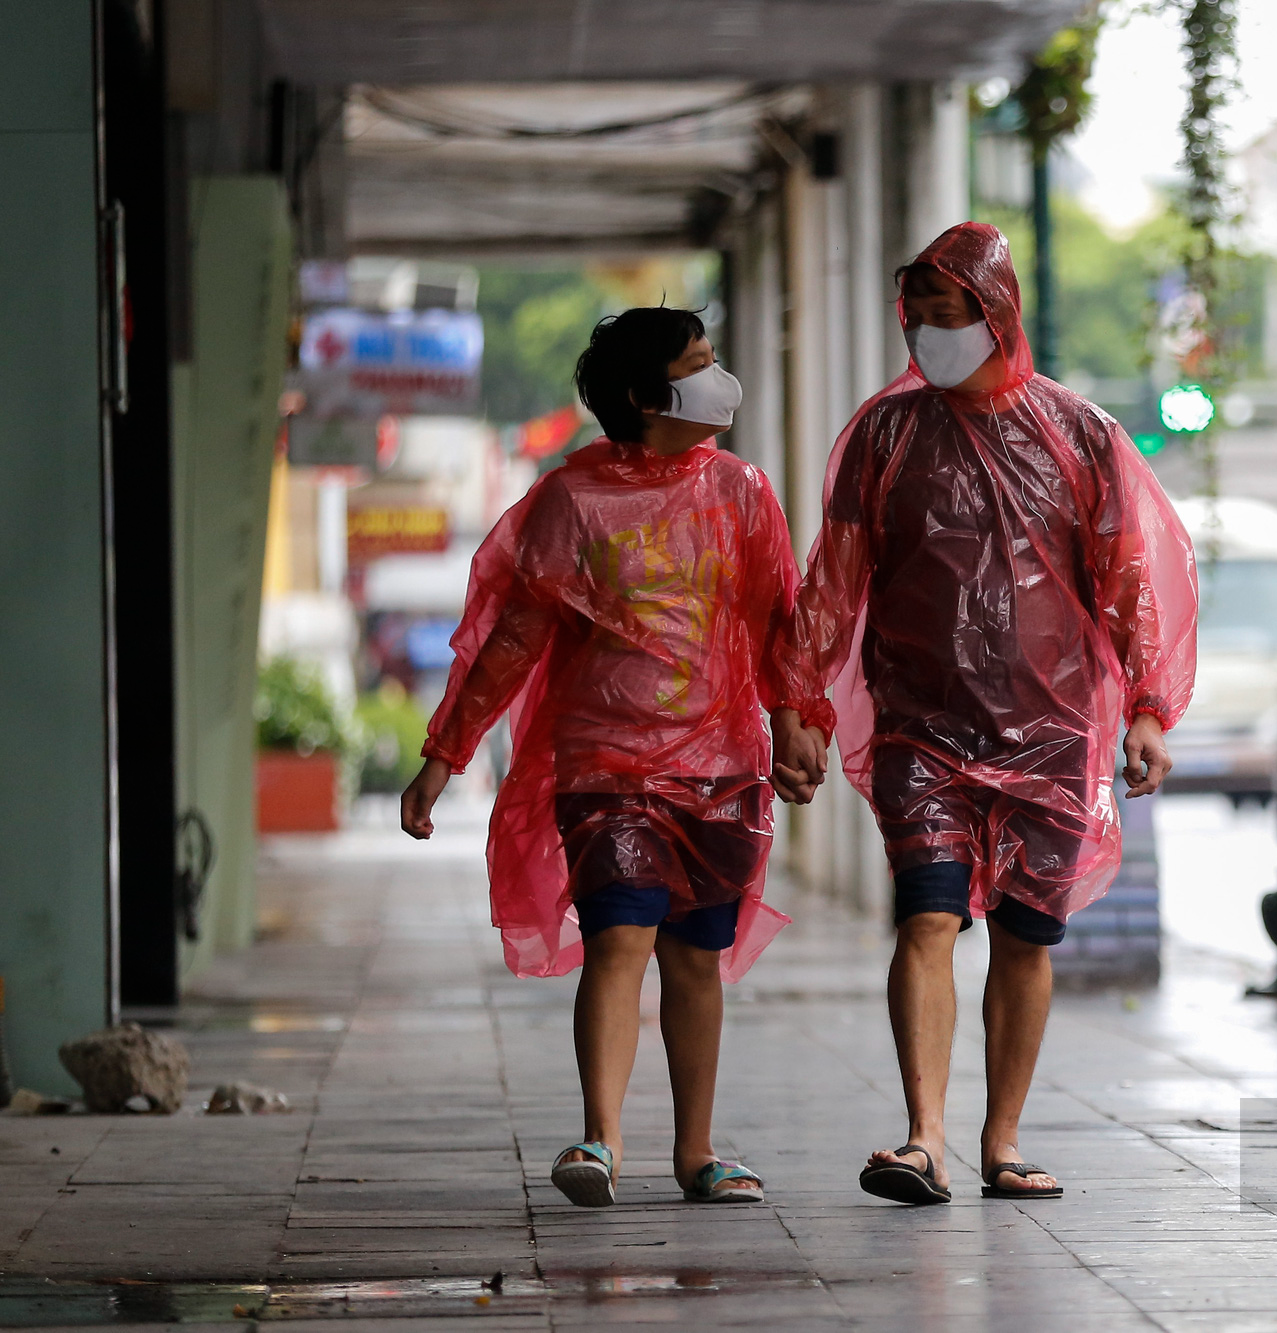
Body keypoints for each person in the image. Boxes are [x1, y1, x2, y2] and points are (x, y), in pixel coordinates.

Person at [770, 222, 1198, 1205]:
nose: (925, 331)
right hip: (920, 722)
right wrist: (797, 697)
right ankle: (922, 1136)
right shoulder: (885, 436)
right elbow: (833, 579)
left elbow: (1126, 577)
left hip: (1052, 726)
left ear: (994, 313)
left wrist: (1144, 704)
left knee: (1022, 932)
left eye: (944, 312)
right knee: (926, 914)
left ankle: (1001, 1142)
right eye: (914, 315)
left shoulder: (1080, 435)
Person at [400, 308, 799, 1208]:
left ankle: (696, 1152)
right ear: (642, 395)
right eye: (697, 365)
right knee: (619, 935)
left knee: (696, 956)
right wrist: (445, 752)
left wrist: (799, 717)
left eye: (712, 359)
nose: (717, 377)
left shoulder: (742, 491)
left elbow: (780, 617)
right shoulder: (573, 502)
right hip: (605, 762)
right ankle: (602, 1138)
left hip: (720, 761)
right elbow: (514, 637)